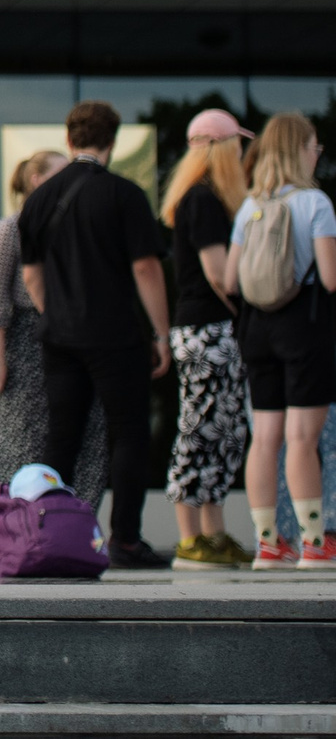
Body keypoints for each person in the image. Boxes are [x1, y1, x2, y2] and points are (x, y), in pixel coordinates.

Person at [19, 100, 171, 569]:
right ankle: (125, 538)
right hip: (115, 333)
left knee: (61, 437)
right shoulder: (124, 194)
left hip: (60, 337)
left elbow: (31, 275)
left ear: (69, 139)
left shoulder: (39, 198)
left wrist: (57, 313)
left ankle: (49, 534)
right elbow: (145, 267)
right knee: (128, 433)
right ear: (113, 141)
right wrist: (161, 333)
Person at [0, 149, 104, 566]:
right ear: (36, 181)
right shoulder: (10, 229)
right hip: (25, 345)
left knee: (86, 440)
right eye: (60, 174)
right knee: (18, 443)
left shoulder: (75, 227)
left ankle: (68, 532)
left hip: (73, 340)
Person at [227, 113, 336, 568]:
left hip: (257, 330)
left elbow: (231, 279)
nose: (319, 151)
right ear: (299, 150)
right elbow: (330, 279)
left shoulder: (249, 206)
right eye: (314, 145)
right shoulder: (316, 203)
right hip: (304, 325)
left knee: (266, 436)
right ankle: (314, 542)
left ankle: (268, 544)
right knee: (302, 437)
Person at [161, 109, 251, 569]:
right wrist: (247, 311)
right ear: (222, 148)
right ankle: (189, 537)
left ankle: (212, 535)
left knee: (225, 430)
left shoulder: (202, 198)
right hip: (206, 329)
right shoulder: (204, 200)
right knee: (200, 428)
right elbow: (219, 274)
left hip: (208, 329)